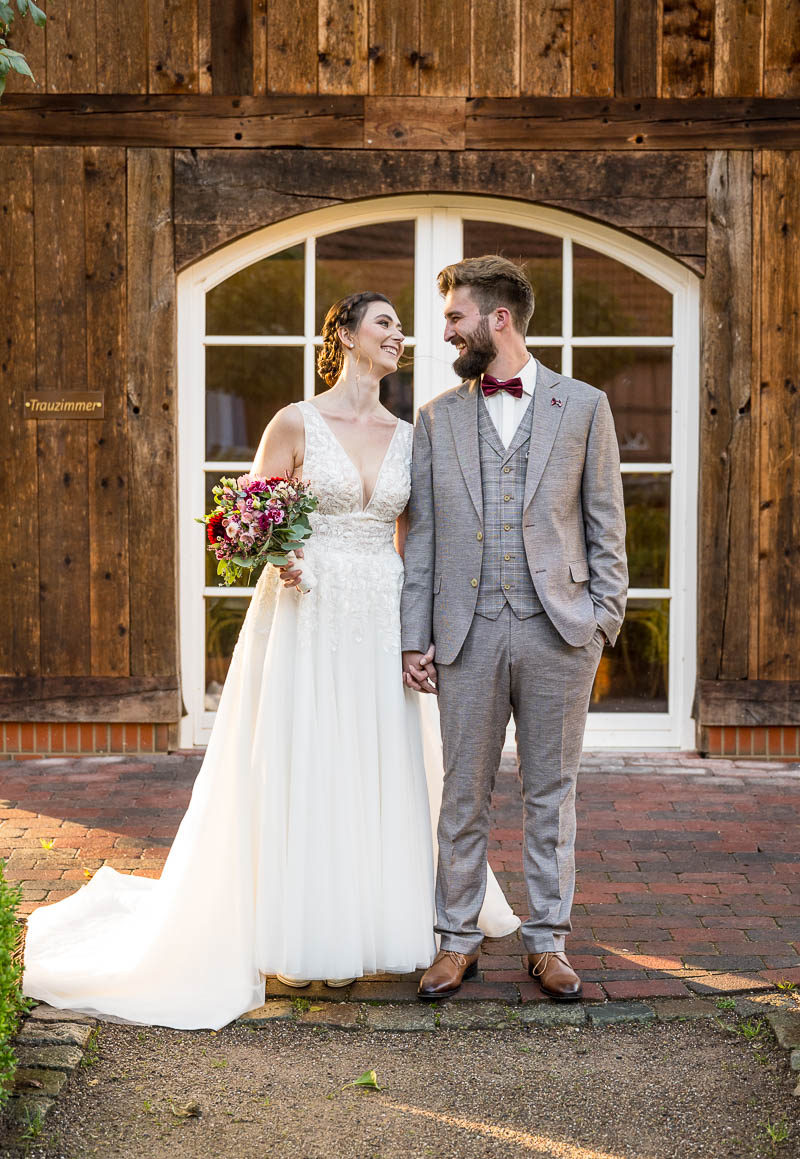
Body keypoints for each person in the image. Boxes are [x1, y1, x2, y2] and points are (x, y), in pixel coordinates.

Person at [22, 290, 518, 1030]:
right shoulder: (295, 422)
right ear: (345, 335)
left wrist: (425, 636)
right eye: (384, 323)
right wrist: (275, 551)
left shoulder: (408, 433)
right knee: (307, 757)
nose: (399, 336)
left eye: (402, 329)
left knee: (379, 759)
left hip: (380, 613)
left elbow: (418, 546)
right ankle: (298, 927)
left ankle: (384, 922)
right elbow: (237, 525)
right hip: (305, 612)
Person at [401, 256, 628, 1001]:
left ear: (498, 320)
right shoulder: (437, 416)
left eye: (455, 318)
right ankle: (456, 941)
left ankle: (547, 942)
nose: (445, 334)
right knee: (463, 793)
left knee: (550, 792)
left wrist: (603, 621)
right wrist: (415, 636)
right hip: (464, 632)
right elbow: (424, 537)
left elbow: (605, 526)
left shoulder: (585, 406)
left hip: (559, 631)